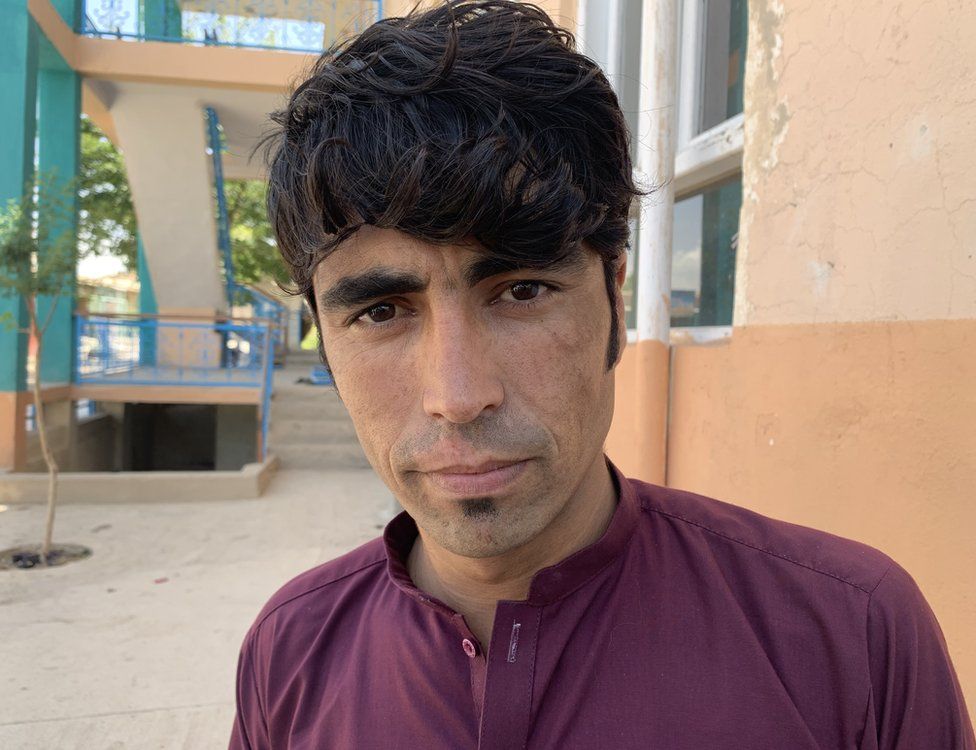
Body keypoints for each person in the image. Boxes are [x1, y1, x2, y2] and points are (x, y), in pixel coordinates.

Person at [229, 2, 975, 748]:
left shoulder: (854, 638)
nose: (457, 397)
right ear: (325, 342)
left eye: (522, 290)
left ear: (614, 302)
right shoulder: (287, 654)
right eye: (383, 312)